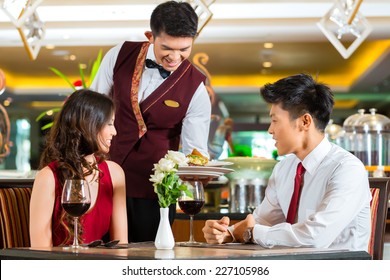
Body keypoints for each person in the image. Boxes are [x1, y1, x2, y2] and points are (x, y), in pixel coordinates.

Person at [202, 73, 371, 251]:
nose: (270, 129)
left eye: (275, 120)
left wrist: (251, 233)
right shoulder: (284, 168)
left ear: (305, 121)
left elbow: (315, 238)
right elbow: (261, 221)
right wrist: (225, 232)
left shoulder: (346, 169)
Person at [90, 1, 211, 242]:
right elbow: (92, 110)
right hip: (103, 181)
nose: (175, 57)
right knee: (98, 254)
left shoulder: (196, 87)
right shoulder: (119, 55)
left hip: (153, 193)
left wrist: (197, 176)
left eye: (184, 49)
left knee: (146, 258)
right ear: (150, 36)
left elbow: (193, 151)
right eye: (167, 48)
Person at [29, 89, 128, 247]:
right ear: (88, 125)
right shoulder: (48, 177)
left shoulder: (115, 173)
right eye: (109, 123)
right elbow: (40, 251)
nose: (114, 132)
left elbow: (121, 246)